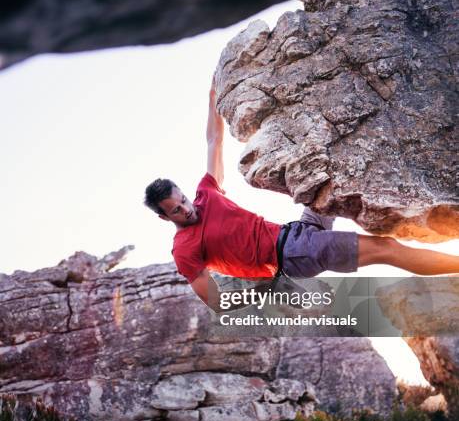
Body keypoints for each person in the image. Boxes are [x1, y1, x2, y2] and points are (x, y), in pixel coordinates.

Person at [144, 79, 459, 311]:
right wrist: (266, 289)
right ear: (163, 217)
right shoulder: (184, 248)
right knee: (387, 249)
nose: (186, 209)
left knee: (332, 168)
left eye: (182, 200)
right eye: (176, 210)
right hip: (293, 255)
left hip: (297, 231)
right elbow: (216, 302)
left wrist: (213, 94)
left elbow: (215, 141)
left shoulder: (206, 194)